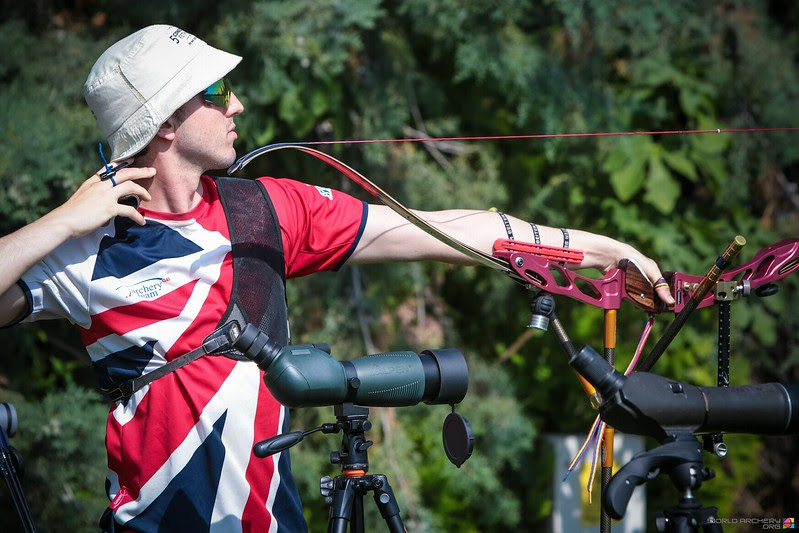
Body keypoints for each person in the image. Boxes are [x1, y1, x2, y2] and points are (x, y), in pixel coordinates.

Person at [0, 25, 674, 532]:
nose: (237, 105)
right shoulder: (87, 250)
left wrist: (598, 249)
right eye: (215, 92)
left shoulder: (266, 210)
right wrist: (61, 220)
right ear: (166, 122)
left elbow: (440, 230)